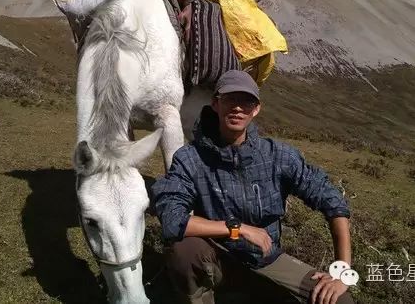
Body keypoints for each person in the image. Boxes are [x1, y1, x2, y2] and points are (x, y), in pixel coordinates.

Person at [151, 70, 355, 304]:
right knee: (184, 250)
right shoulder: (190, 159)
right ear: (216, 104)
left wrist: (342, 273)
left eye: (246, 101)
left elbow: (334, 202)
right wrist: (238, 229)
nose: (237, 108)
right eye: (230, 99)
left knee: (340, 301)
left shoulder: (278, 156)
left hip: (267, 261)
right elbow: (172, 219)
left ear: (256, 109)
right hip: (216, 257)